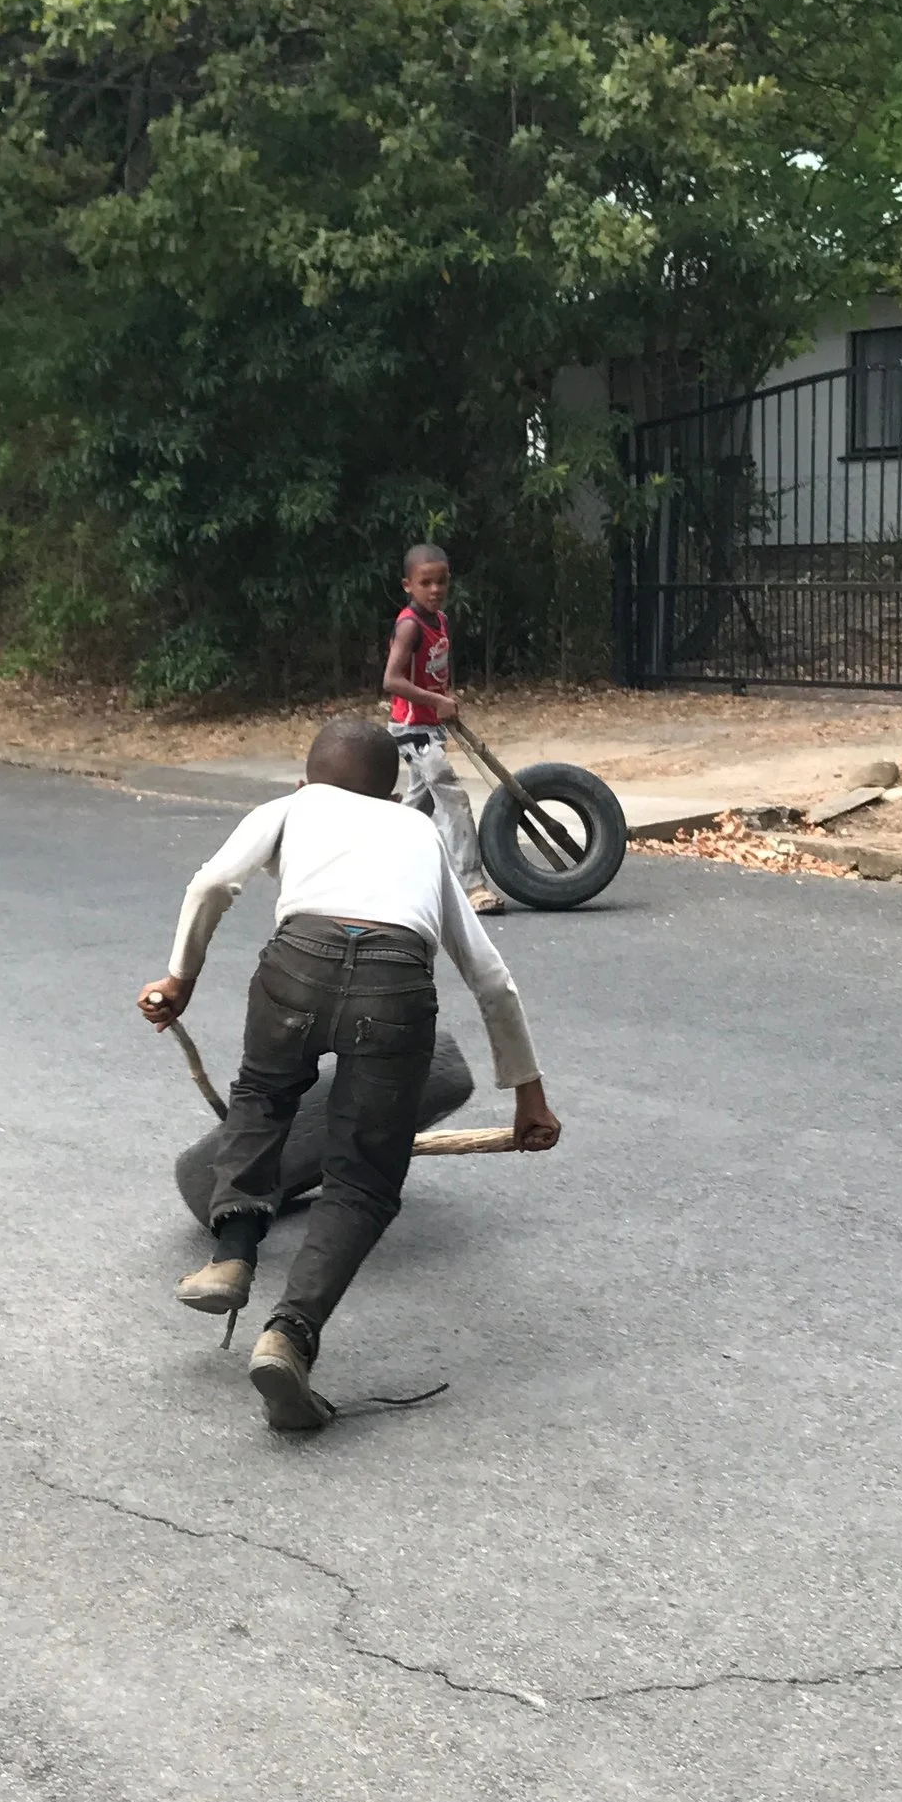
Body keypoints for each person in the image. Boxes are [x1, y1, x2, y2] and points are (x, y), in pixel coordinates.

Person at [138, 715, 560, 1434]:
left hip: (296, 963)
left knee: (263, 1098)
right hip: (396, 984)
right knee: (363, 1178)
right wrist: (529, 1095)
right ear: (395, 794)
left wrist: (181, 977)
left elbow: (213, 883)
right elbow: (491, 977)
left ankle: (233, 1253)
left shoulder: (293, 807)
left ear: (305, 780)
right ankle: (289, 1336)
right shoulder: (419, 833)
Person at [382, 540, 500, 911]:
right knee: (452, 795)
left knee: (419, 804)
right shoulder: (409, 626)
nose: (435, 590)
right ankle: (473, 886)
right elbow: (392, 680)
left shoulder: (441, 621)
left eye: (442, 582)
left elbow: (436, 670)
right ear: (408, 586)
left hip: (431, 724)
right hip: (411, 728)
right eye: (425, 583)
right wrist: (435, 701)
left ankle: (370, 860)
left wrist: (445, 700)